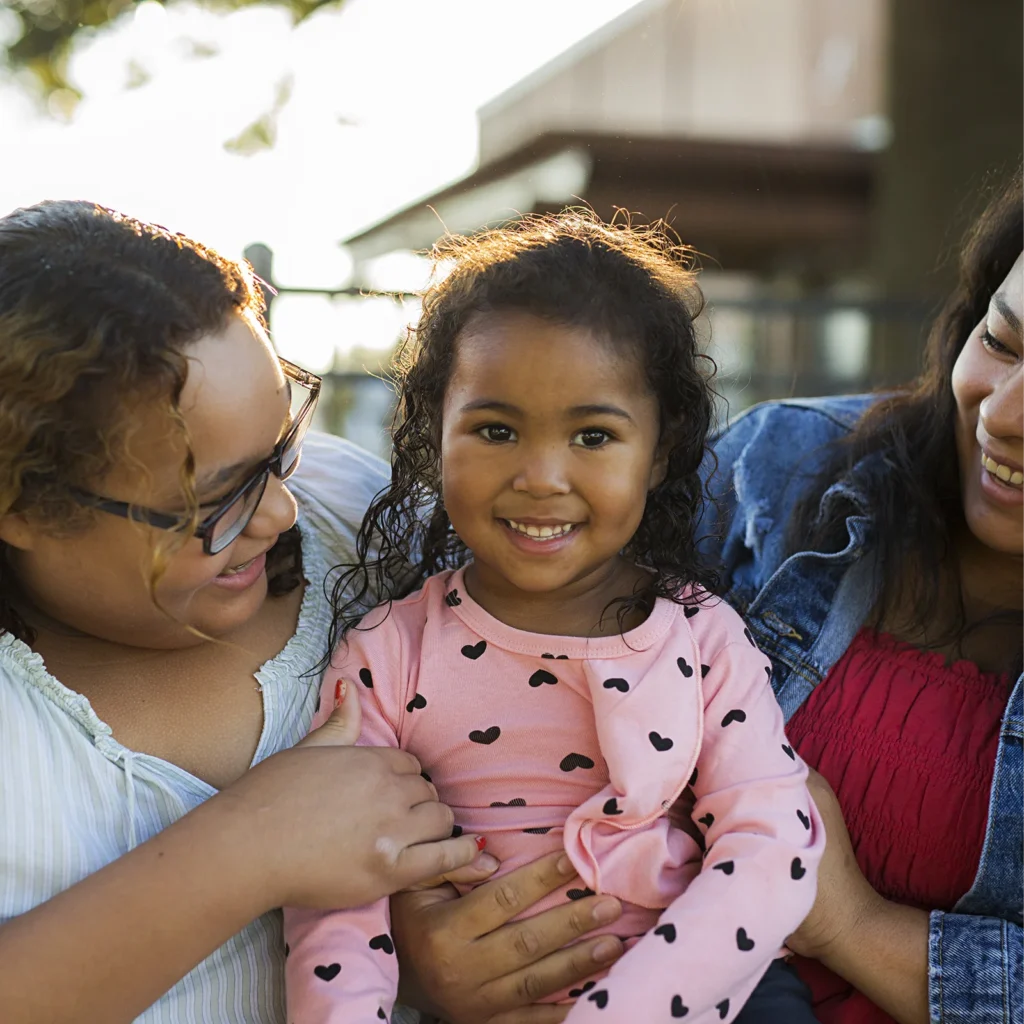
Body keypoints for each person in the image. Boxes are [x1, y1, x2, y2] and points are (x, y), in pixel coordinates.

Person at [389, 176, 1024, 1024]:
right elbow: (488, 614)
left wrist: (851, 924)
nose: (1005, 413)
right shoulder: (779, 468)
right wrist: (422, 936)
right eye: (1006, 342)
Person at [283, 213, 824, 1024]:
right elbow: (338, 886)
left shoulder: (702, 635)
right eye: (496, 430)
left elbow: (771, 846)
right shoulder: (388, 652)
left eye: (593, 435)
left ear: (662, 450)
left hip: (713, 999)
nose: (541, 477)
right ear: (437, 432)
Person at [0, 198, 518, 1024]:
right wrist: (249, 849)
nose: (280, 512)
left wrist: (435, 952)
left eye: (281, 450)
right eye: (215, 500)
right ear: (21, 507)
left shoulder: (358, 524)